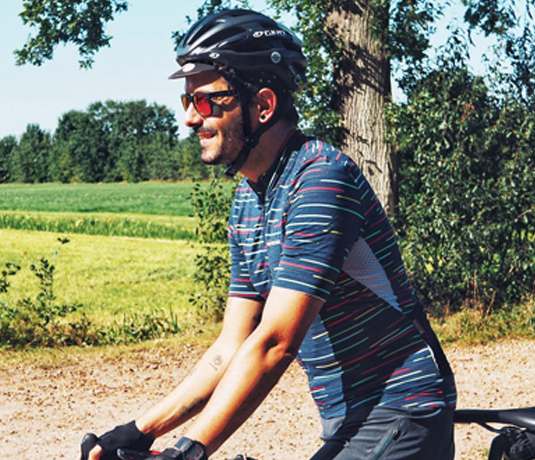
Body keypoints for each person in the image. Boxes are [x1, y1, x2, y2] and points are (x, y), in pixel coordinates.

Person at [80, 8, 457, 460]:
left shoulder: (320, 180)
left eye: (205, 102)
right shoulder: (248, 199)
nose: (190, 119)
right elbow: (232, 345)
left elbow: (275, 342)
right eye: (186, 102)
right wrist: (140, 430)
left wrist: (190, 450)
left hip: (401, 409)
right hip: (349, 419)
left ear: (262, 104)